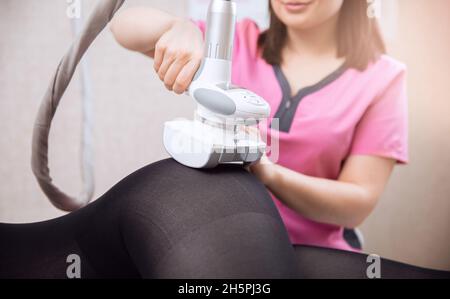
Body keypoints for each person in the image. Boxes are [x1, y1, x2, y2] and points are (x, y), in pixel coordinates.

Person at [110, 0, 408, 251]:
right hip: (223, 240)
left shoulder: (383, 79)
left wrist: (270, 173)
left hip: (311, 252)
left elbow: (357, 204)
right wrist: (175, 27)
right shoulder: (232, 43)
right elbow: (121, 26)